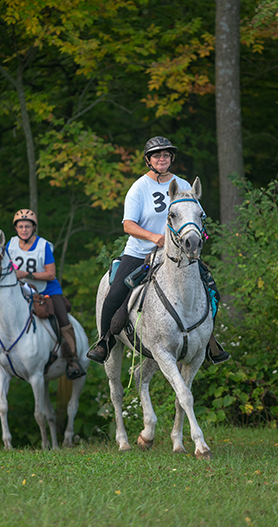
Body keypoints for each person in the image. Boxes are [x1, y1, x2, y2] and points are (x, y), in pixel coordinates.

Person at [86, 136, 230, 365]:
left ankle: (209, 341)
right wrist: (153, 237)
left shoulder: (183, 185)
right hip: (141, 252)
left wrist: (198, 236)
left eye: (166, 155)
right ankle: (104, 342)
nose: (162, 158)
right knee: (114, 293)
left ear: (171, 158)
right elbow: (128, 225)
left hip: (178, 254)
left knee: (210, 289)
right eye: (157, 155)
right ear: (148, 160)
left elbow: (198, 216)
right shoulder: (139, 188)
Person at [0, 209, 85, 380]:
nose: (24, 230)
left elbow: (51, 274)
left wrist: (26, 274)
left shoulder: (43, 246)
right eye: (20, 226)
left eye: (27, 226)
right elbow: (5, 267)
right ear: (16, 228)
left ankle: (72, 359)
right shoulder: (10, 245)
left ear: (33, 228)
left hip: (46, 290)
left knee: (62, 318)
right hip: (21, 290)